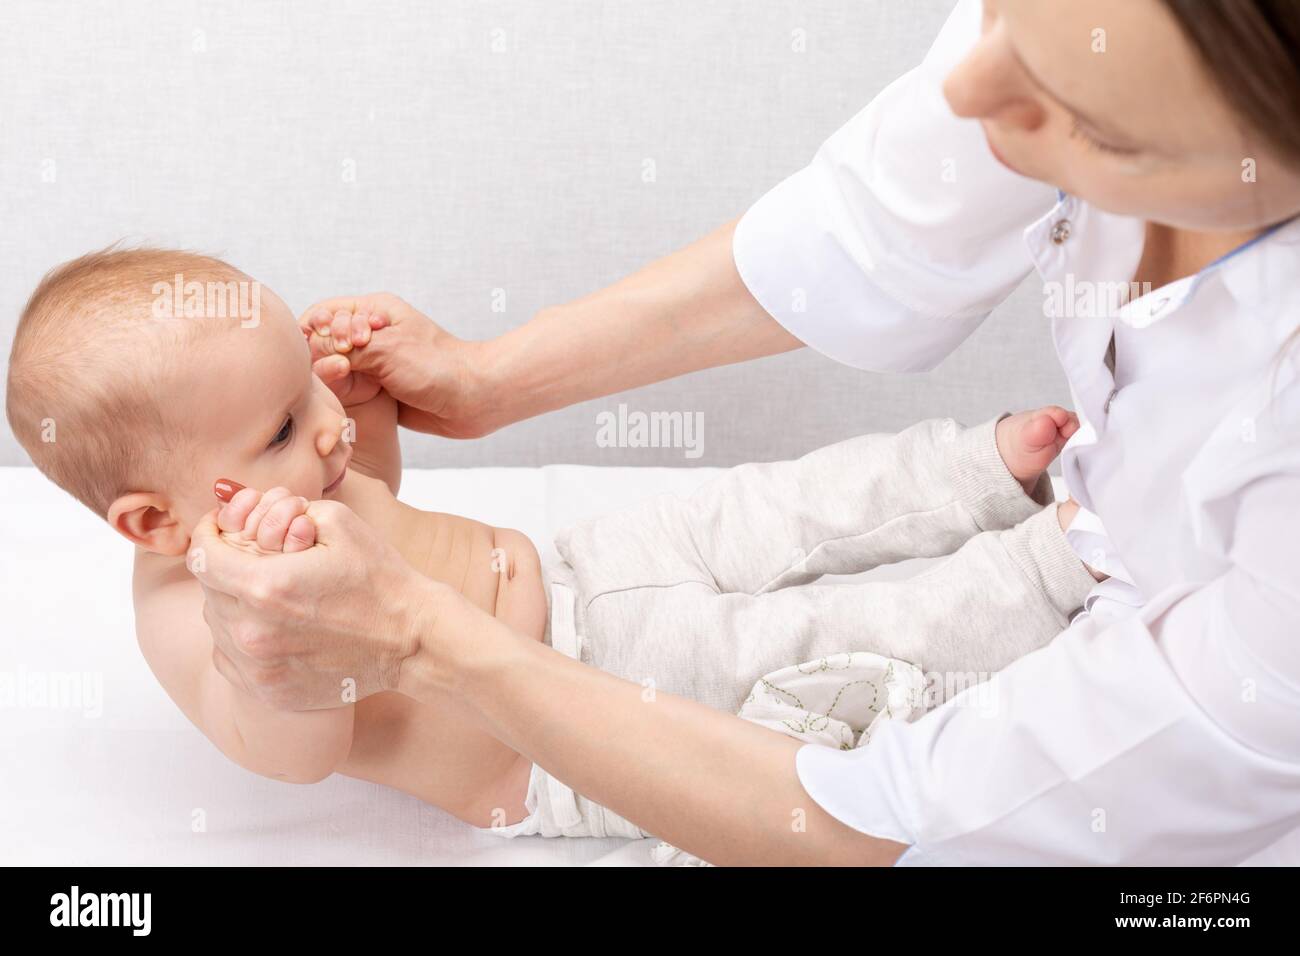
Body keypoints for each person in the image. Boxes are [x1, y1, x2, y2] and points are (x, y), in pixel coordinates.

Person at [192, 0, 1300, 865]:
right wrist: (483, 382)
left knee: (875, 624)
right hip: (580, 614)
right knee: (806, 566)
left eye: (1088, 118)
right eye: (998, 10)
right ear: (143, 518)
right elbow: (863, 234)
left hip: (568, 682)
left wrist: (418, 636)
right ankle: (1017, 522)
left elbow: (900, 825)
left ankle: (1024, 549)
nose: (964, 87)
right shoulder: (186, 596)